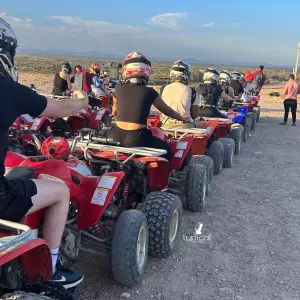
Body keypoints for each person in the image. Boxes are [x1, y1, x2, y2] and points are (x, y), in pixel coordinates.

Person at [0, 17, 85, 289]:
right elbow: (62, 109)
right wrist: (81, 97)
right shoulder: (9, 90)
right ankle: (53, 266)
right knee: (60, 191)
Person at [108, 52, 189, 163]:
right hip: (137, 137)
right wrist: (182, 118)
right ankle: (165, 179)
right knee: (168, 152)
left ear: (126, 71)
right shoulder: (150, 92)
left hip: (115, 135)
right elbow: (167, 111)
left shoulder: (118, 88)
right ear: (146, 71)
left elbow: (115, 112)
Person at [160, 60, 202, 128]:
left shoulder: (163, 88)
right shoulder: (192, 91)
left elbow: (161, 110)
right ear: (186, 75)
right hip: (183, 125)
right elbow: (194, 115)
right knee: (201, 125)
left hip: (165, 124)